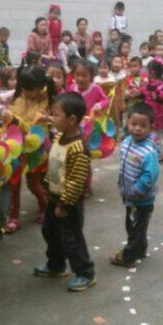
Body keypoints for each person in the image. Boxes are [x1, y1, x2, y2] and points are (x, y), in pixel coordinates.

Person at [33, 92, 96, 291]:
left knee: (71, 238)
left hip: (68, 202)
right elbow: (55, 164)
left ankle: (85, 273)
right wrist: (46, 186)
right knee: (50, 231)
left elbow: (77, 182)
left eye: (57, 115)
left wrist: (65, 204)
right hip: (54, 197)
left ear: (72, 120)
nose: (53, 119)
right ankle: (56, 265)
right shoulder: (61, 136)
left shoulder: (78, 148)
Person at [1, 65, 55, 233]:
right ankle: (14, 216)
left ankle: (44, 206)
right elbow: (3, 103)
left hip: (35, 148)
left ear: (39, 88)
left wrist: (15, 121)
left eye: (29, 90)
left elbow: (33, 128)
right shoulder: (18, 95)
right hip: (15, 145)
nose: (25, 92)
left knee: (33, 183)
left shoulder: (47, 101)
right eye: (22, 88)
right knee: (13, 182)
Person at [110, 103, 160, 267]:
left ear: (151, 127)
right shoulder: (127, 141)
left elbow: (150, 175)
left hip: (140, 199)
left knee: (134, 227)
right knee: (138, 226)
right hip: (129, 194)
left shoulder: (148, 151)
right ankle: (140, 249)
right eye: (133, 124)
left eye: (143, 126)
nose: (137, 129)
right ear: (127, 122)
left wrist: (137, 190)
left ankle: (129, 256)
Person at [141, 60, 163, 157]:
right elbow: (143, 93)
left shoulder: (160, 85)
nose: (145, 73)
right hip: (148, 114)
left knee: (156, 136)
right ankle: (149, 153)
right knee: (150, 135)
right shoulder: (147, 84)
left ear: (152, 72)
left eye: (147, 71)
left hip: (157, 115)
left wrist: (157, 97)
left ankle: (157, 154)